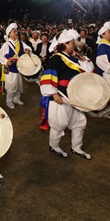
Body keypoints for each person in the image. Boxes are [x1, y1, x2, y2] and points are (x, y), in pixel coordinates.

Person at [40, 30, 95, 159]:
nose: (74, 45)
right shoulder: (56, 59)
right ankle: (54, 146)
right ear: (65, 44)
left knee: (79, 122)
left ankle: (76, 147)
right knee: (59, 124)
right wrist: (54, 94)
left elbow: (89, 71)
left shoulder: (73, 58)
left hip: (76, 96)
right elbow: (48, 77)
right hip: (61, 96)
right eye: (71, 43)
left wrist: (81, 59)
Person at [0, 22, 32, 109]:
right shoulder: (6, 45)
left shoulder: (20, 43)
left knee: (19, 85)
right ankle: (9, 101)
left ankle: (16, 98)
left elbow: (29, 48)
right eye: (13, 32)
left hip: (19, 68)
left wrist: (28, 50)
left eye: (16, 31)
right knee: (11, 85)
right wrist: (6, 61)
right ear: (9, 34)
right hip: (10, 69)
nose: (15, 33)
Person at [93, 21, 110, 118]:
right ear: (103, 34)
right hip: (108, 74)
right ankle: (104, 112)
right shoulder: (102, 45)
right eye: (109, 32)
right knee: (109, 94)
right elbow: (100, 61)